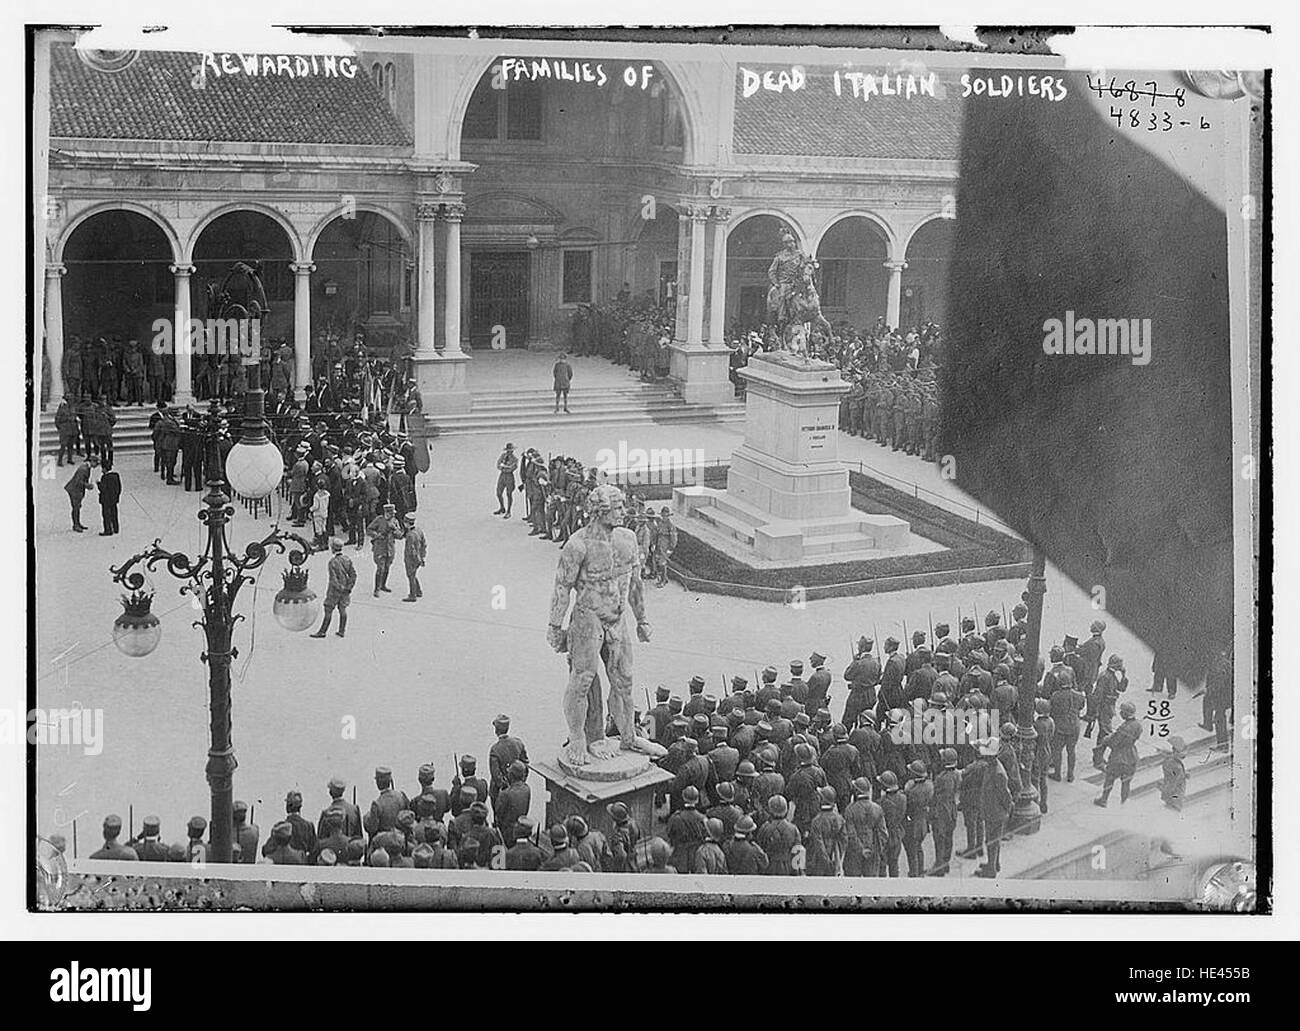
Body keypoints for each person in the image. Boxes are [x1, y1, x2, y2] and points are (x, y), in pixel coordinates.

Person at [1094, 701, 1142, 807]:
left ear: (1125, 713)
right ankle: (1123, 803)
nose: (1120, 713)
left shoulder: (1124, 728)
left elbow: (1114, 743)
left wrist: (1107, 739)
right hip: (1132, 756)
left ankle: (1104, 799)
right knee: (1126, 783)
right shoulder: (1138, 724)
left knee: (1109, 779)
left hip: (1119, 758)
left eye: (1122, 711)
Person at [311, 539, 356, 638]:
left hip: (334, 591)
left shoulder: (332, 562)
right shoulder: (347, 559)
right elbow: (353, 575)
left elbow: (333, 579)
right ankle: (341, 631)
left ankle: (322, 631)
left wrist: (340, 588)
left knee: (328, 609)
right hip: (345, 590)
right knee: (342, 609)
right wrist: (348, 588)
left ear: (333, 549)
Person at [488, 714, 529, 810]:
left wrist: (505, 787)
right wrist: (521, 782)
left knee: (499, 817)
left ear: (496, 731)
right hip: (519, 790)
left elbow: (496, 776)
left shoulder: (495, 749)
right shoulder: (518, 743)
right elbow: (526, 764)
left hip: (499, 792)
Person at [367, 501, 401, 597]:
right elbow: (369, 530)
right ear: (387, 513)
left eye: (393, 513)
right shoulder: (379, 520)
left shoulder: (395, 521)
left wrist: (395, 530)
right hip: (380, 548)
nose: (393, 515)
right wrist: (377, 535)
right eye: (391, 513)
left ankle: (383, 585)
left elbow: (400, 535)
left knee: (387, 567)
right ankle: (376, 589)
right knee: (380, 568)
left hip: (390, 548)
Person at [63, 454, 96, 532]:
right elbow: (79, 481)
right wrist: (87, 485)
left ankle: (77, 523)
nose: (96, 466)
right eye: (96, 463)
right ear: (92, 461)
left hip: (77, 490)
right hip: (75, 490)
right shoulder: (83, 469)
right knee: (76, 508)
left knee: (77, 507)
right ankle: (76, 525)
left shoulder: (86, 467)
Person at [400, 512, 427, 602]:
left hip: (411, 559)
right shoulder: (419, 530)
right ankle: (418, 591)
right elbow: (424, 544)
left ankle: (412, 595)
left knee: (410, 576)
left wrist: (416, 559)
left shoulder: (410, 535)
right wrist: (422, 557)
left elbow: (411, 550)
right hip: (419, 557)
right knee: (413, 575)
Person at [652, 505, 676, 587]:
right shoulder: (660, 523)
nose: (664, 517)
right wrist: (654, 544)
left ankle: (663, 581)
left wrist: (671, 548)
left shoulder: (670, 526)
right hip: (659, 546)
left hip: (666, 547)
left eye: (665, 516)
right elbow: (656, 534)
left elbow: (673, 538)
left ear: (668, 516)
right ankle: (664, 578)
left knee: (662, 563)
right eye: (663, 515)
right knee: (657, 561)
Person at [97, 458, 121, 536]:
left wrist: (98, 484)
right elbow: (119, 487)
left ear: (104, 468)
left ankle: (108, 530)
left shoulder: (104, 478)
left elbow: (103, 489)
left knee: (106, 515)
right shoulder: (116, 475)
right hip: (114, 499)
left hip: (106, 499)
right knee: (114, 514)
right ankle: (116, 528)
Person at [494, 442, 518, 517]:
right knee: (498, 493)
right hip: (502, 475)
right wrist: (504, 467)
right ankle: (502, 507)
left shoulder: (514, 459)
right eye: (508, 450)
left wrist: (505, 467)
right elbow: (498, 464)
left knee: (509, 494)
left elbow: (512, 468)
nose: (509, 451)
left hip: (509, 476)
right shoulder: (503, 456)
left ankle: (509, 511)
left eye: (510, 450)